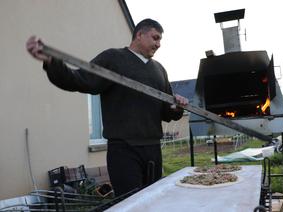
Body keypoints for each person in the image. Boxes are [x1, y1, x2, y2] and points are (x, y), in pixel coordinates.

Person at [26, 18, 189, 197]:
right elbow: (79, 79)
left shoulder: (159, 69)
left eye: (160, 40)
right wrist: (52, 62)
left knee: (154, 200)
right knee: (130, 204)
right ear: (139, 35)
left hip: (153, 149)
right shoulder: (113, 58)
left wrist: (176, 107)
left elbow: (166, 112)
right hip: (124, 150)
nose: (158, 44)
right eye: (155, 38)